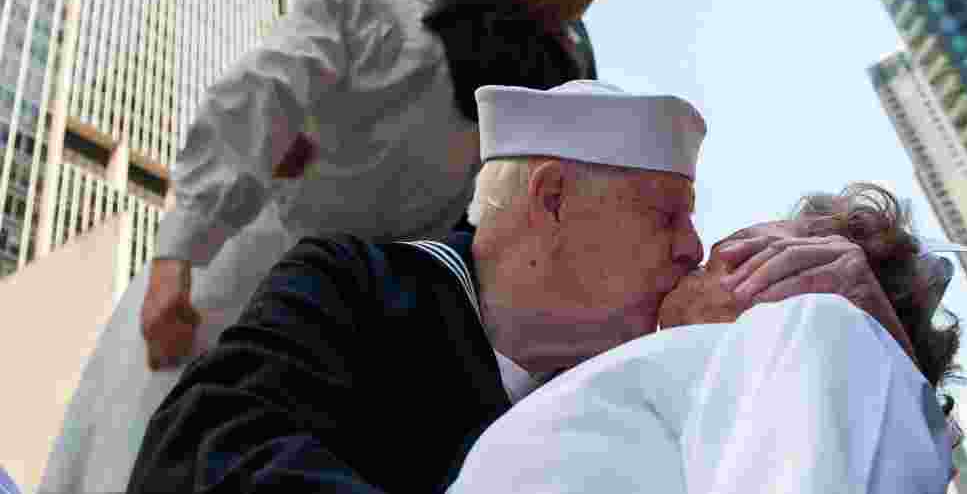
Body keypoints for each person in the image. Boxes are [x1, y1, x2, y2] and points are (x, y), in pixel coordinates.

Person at [40, 0, 609, 494]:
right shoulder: (358, 0)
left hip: (349, 325)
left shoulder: (510, 73)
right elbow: (256, 100)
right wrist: (177, 259)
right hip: (230, 284)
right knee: (144, 450)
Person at [124, 81, 922, 493]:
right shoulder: (361, 286)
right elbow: (201, 454)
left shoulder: (668, 367)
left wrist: (895, 374)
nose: (693, 246)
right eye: (668, 213)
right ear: (551, 197)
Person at [448, 184, 964, 492]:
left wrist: (871, 347)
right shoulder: (693, 387)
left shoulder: (826, 331)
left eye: (739, 248)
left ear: (816, 275)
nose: (702, 252)